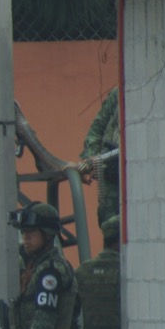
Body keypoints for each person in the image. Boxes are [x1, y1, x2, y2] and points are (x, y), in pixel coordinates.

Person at [70, 87, 120, 229]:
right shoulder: (119, 92)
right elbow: (97, 129)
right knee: (109, 227)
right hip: (110, 176)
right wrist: (91, 161)